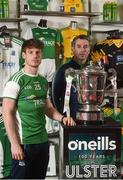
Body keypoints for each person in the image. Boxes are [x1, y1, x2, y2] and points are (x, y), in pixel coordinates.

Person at [2, 39, 75, 179]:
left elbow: (48, 108)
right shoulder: (16, 80)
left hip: (42, 141)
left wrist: (63, 118)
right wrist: (15, 144)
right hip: (24, 143)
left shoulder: (42, 81)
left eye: (38, 52)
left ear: (41, 55)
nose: (35, 55)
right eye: (31, 52)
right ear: (24, 55)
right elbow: (7, 113)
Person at [52, 35, 90, 120]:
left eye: (85, 47)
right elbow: (54, 96)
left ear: (89, 49)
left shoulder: (93, 70)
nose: (82, 50)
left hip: (89, 118)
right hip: (69, 119)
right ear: (73, 49)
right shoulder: (63, 69)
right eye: (79, 46)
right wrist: (63, 116)